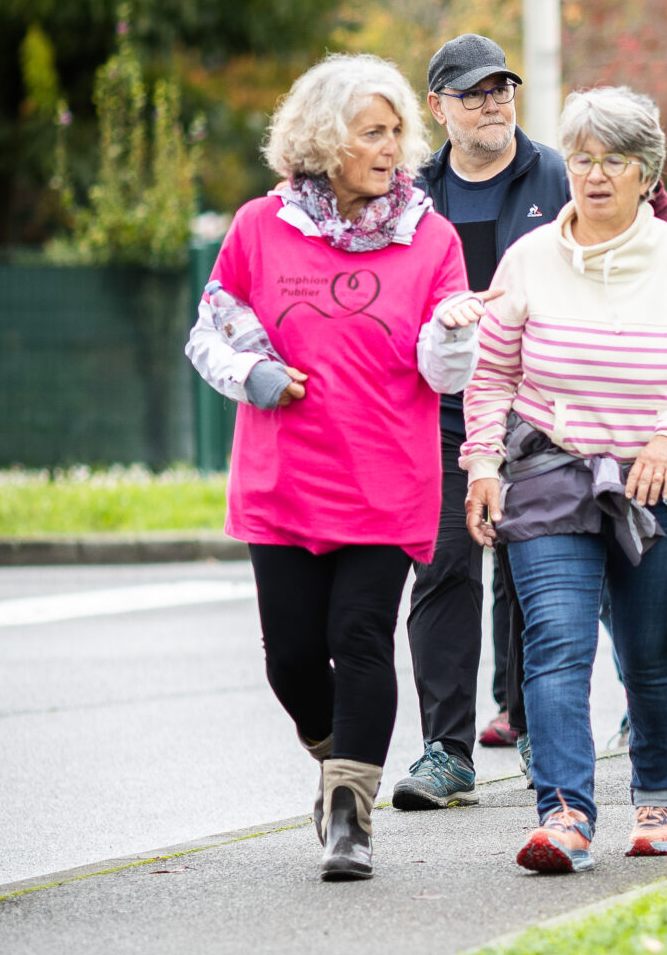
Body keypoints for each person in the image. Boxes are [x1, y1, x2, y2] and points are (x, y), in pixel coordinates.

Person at [184, 54, 477, 881]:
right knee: (290, 657)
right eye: (371, 132)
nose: (391, 148)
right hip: (283, 480)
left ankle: (350, 816)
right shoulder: (260, 227)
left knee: (361, 636)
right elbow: (209, 331)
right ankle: (335, 752)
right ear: (323, 138)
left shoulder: (431, 237)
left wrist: (453, 331)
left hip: (387, 479)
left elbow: (442, 371)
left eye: (396, 132)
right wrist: (253, 373)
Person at [460, 88, 667, 875]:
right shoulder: (529, 260)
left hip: (653, 482)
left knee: (650, 655)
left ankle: (659, 796)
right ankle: (564, 815)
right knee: (556, 645)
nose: (593, 174)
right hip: (550, 470)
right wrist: (483, 463)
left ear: (646, 172)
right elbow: (491, 374)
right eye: (581, 158)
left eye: (614, 160)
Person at [387, 35, 568, 803]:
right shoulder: (410, 194)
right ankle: (446, 751)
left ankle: (535, 734)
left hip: (539, 408)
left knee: (536, 573)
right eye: (474, 93)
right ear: (438, 107)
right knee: (442, 570)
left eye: (502, 89)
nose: (493, 103)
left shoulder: (555, 175)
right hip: (441, 412)